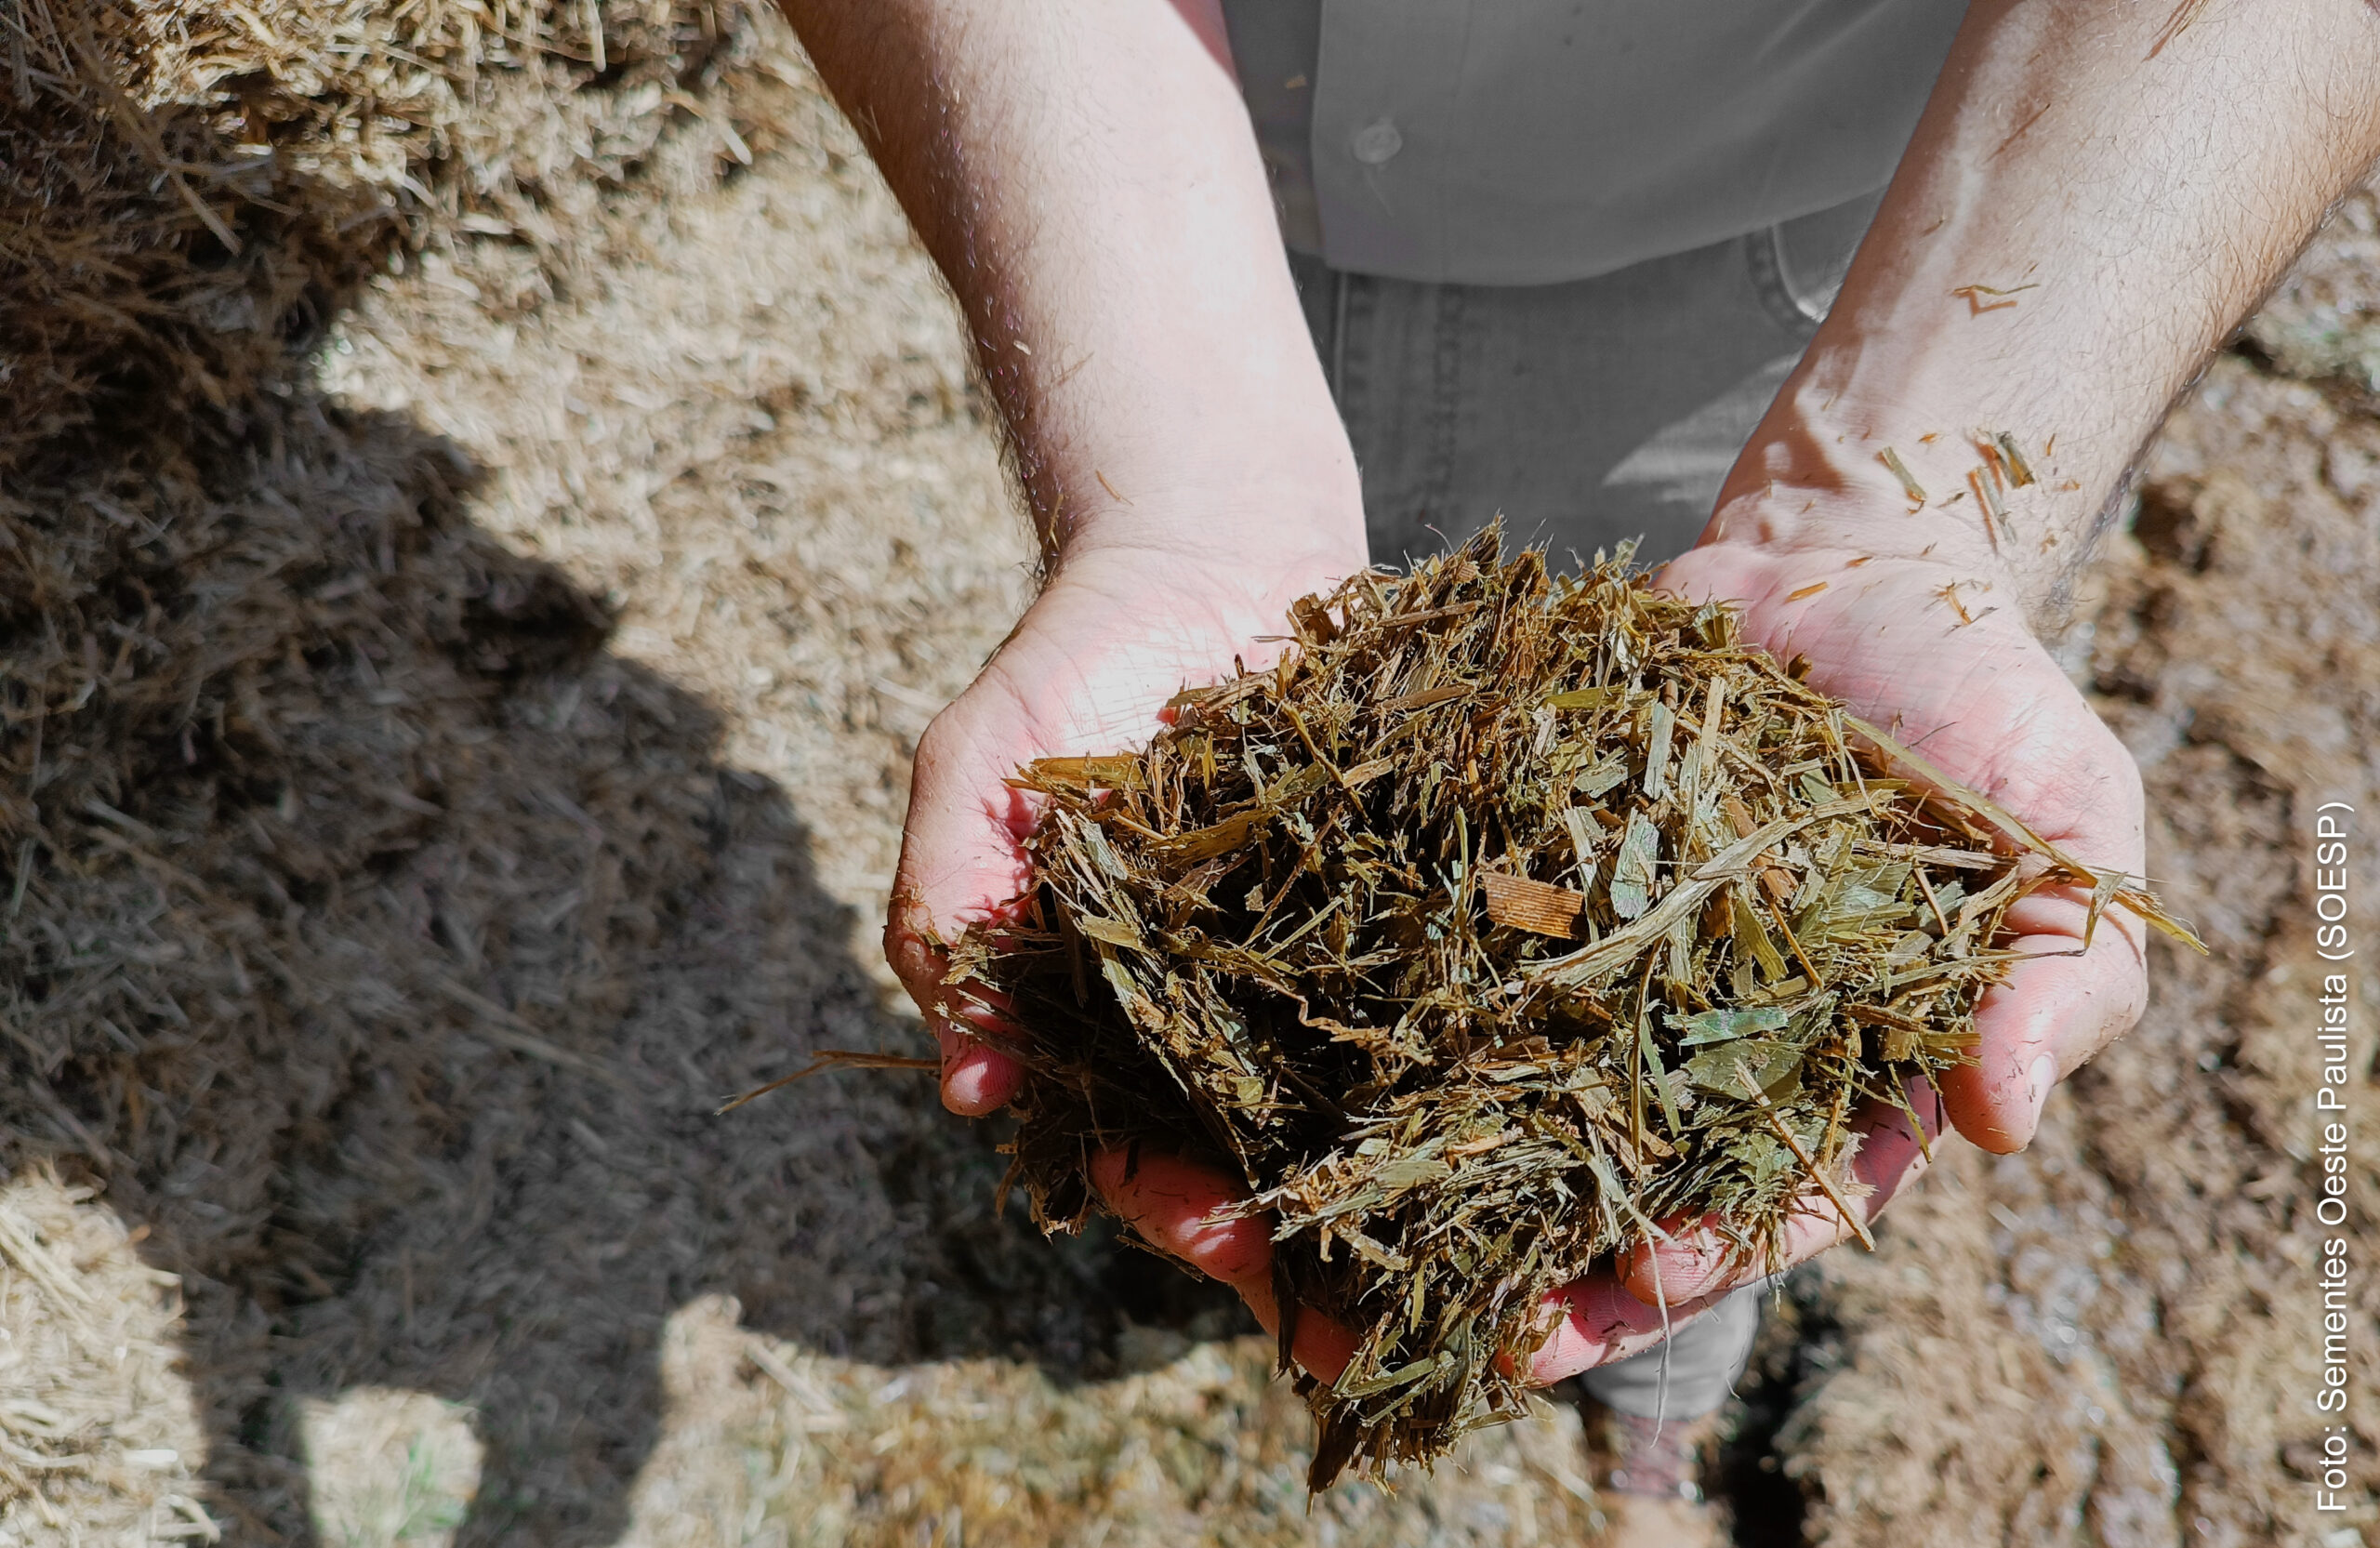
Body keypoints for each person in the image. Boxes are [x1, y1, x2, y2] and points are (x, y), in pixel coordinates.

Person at [777, 1, 2380, 1540]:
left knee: (1722, 1135)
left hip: (1855, 258)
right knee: (1183, 1069)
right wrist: (1169, 484)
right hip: (1131, 167)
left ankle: (1656, 1417)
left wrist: (1913, 511)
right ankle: (1227, 1239)